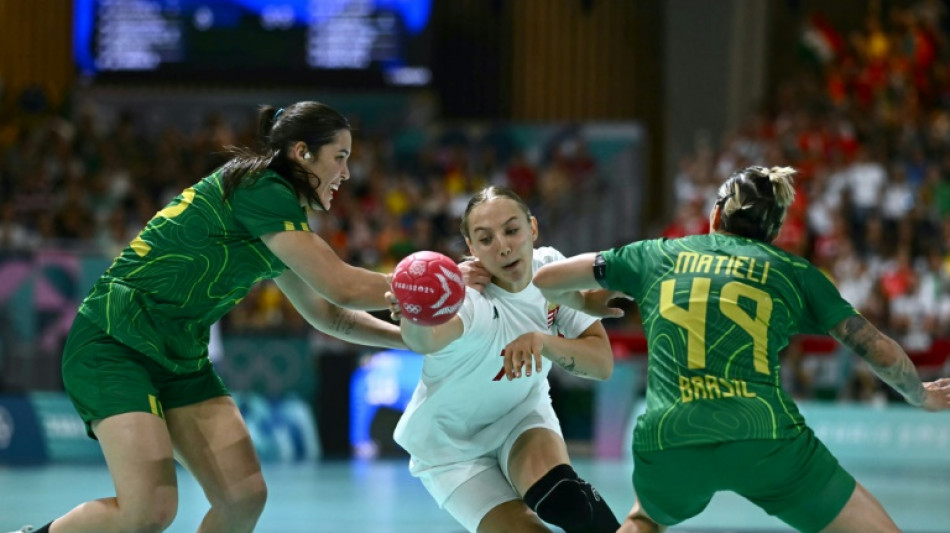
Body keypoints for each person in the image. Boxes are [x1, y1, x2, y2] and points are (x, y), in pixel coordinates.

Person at [11, 101, 406, 533]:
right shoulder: (261, 188)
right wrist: (436, 288)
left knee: (243, 497)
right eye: (340, 157)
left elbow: (331, 315)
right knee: (148, 511)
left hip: (181, 357)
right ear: (301, 152)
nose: (346, 173)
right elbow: (342, 286)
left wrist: (409, 340)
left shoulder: (282, 221)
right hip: (114, 342)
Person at [532, 166, 950, 533]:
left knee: (645, 518)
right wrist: (920, 395)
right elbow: (878, 349)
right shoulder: (793, 271)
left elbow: (547, 279)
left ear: (716, 214)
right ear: (773, 233)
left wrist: (583, 302)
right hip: (765, 436)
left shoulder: (657, 253)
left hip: (670, 435)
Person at [386, 185, 624, 533]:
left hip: (520, 414)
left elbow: (601, 364)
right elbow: (424, 340)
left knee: (568, 502)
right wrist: (414, 313)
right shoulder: (468, 300)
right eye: (486, 239)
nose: (503, 246)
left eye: (512, 230)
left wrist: (544, 343)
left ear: (533, 228)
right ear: (471, 248)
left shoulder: (551, 271)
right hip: (450, 450)